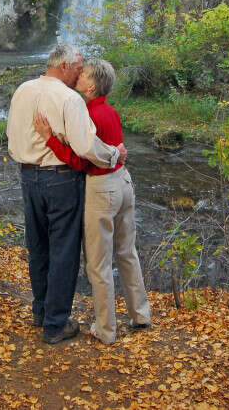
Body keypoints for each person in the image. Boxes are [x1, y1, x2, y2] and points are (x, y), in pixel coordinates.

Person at [7, 44, 126, 345]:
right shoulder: (68, 98)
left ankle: (41, 311)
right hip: (60, 179)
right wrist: (114, 155)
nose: (79, 74)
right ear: (63, 66)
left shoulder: (22, 90)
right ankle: (55, 324)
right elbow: (87, 147)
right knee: (64, 251)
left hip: (27, 175)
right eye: (77, 67)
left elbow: (11, 137)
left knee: (39, 246)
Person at [33, 58, 151, 345]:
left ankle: (106, 329)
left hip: (101, 189)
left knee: (98, 264)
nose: (78, 76)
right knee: (127, 252)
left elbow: (78, 161)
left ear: (91, 85)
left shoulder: (87, 115)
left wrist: (49, 138)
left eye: (83, 74)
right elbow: (113, 150)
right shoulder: (110, 112)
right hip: (124, 182)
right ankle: (140, 314)